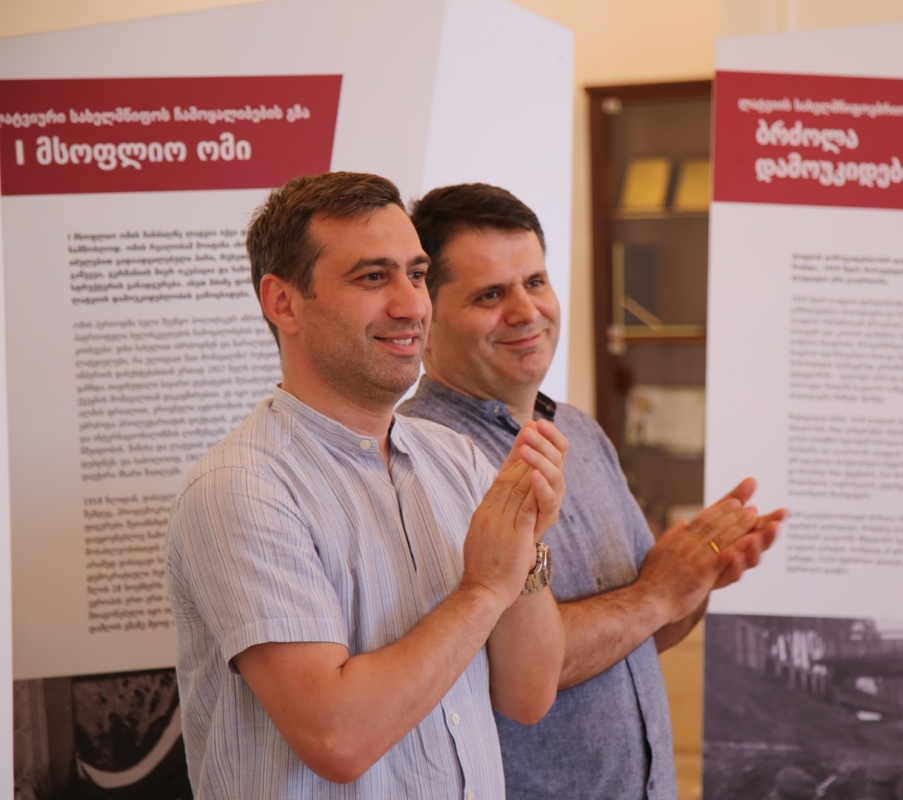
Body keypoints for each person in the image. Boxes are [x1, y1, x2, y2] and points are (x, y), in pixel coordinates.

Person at [165, 172, 568, 799]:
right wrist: (485, 589)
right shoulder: (241, 489)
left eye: (417, 274)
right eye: (373, 277)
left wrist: (528, 549)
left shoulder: (456, 459)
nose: (412, 306)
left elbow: (528, 695)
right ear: (283, 302)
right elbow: (338, 738)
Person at [398, 182, 786, 798]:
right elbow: (514, 670)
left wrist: (696, 578)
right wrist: (657, 593)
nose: (526, 311)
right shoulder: (420, 458)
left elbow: (642, 633)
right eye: (491, 294)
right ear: (427, 314)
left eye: (535, 282)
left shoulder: (578, 430)